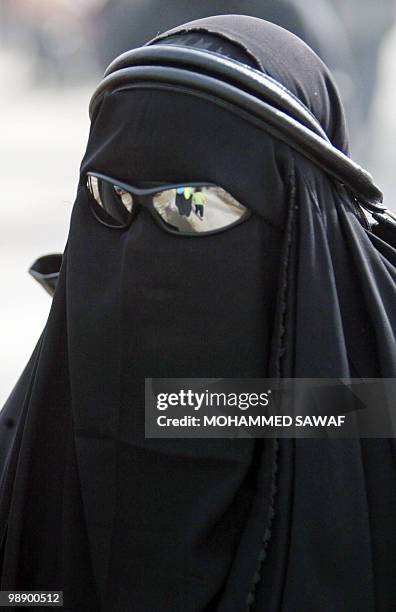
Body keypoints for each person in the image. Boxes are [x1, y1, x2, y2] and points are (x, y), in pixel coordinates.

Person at [0, 15, 395, 612]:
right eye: (110, 198)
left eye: (193, 206)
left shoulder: (370, 410)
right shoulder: (30, 442)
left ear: (300, 217)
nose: (137, 252)